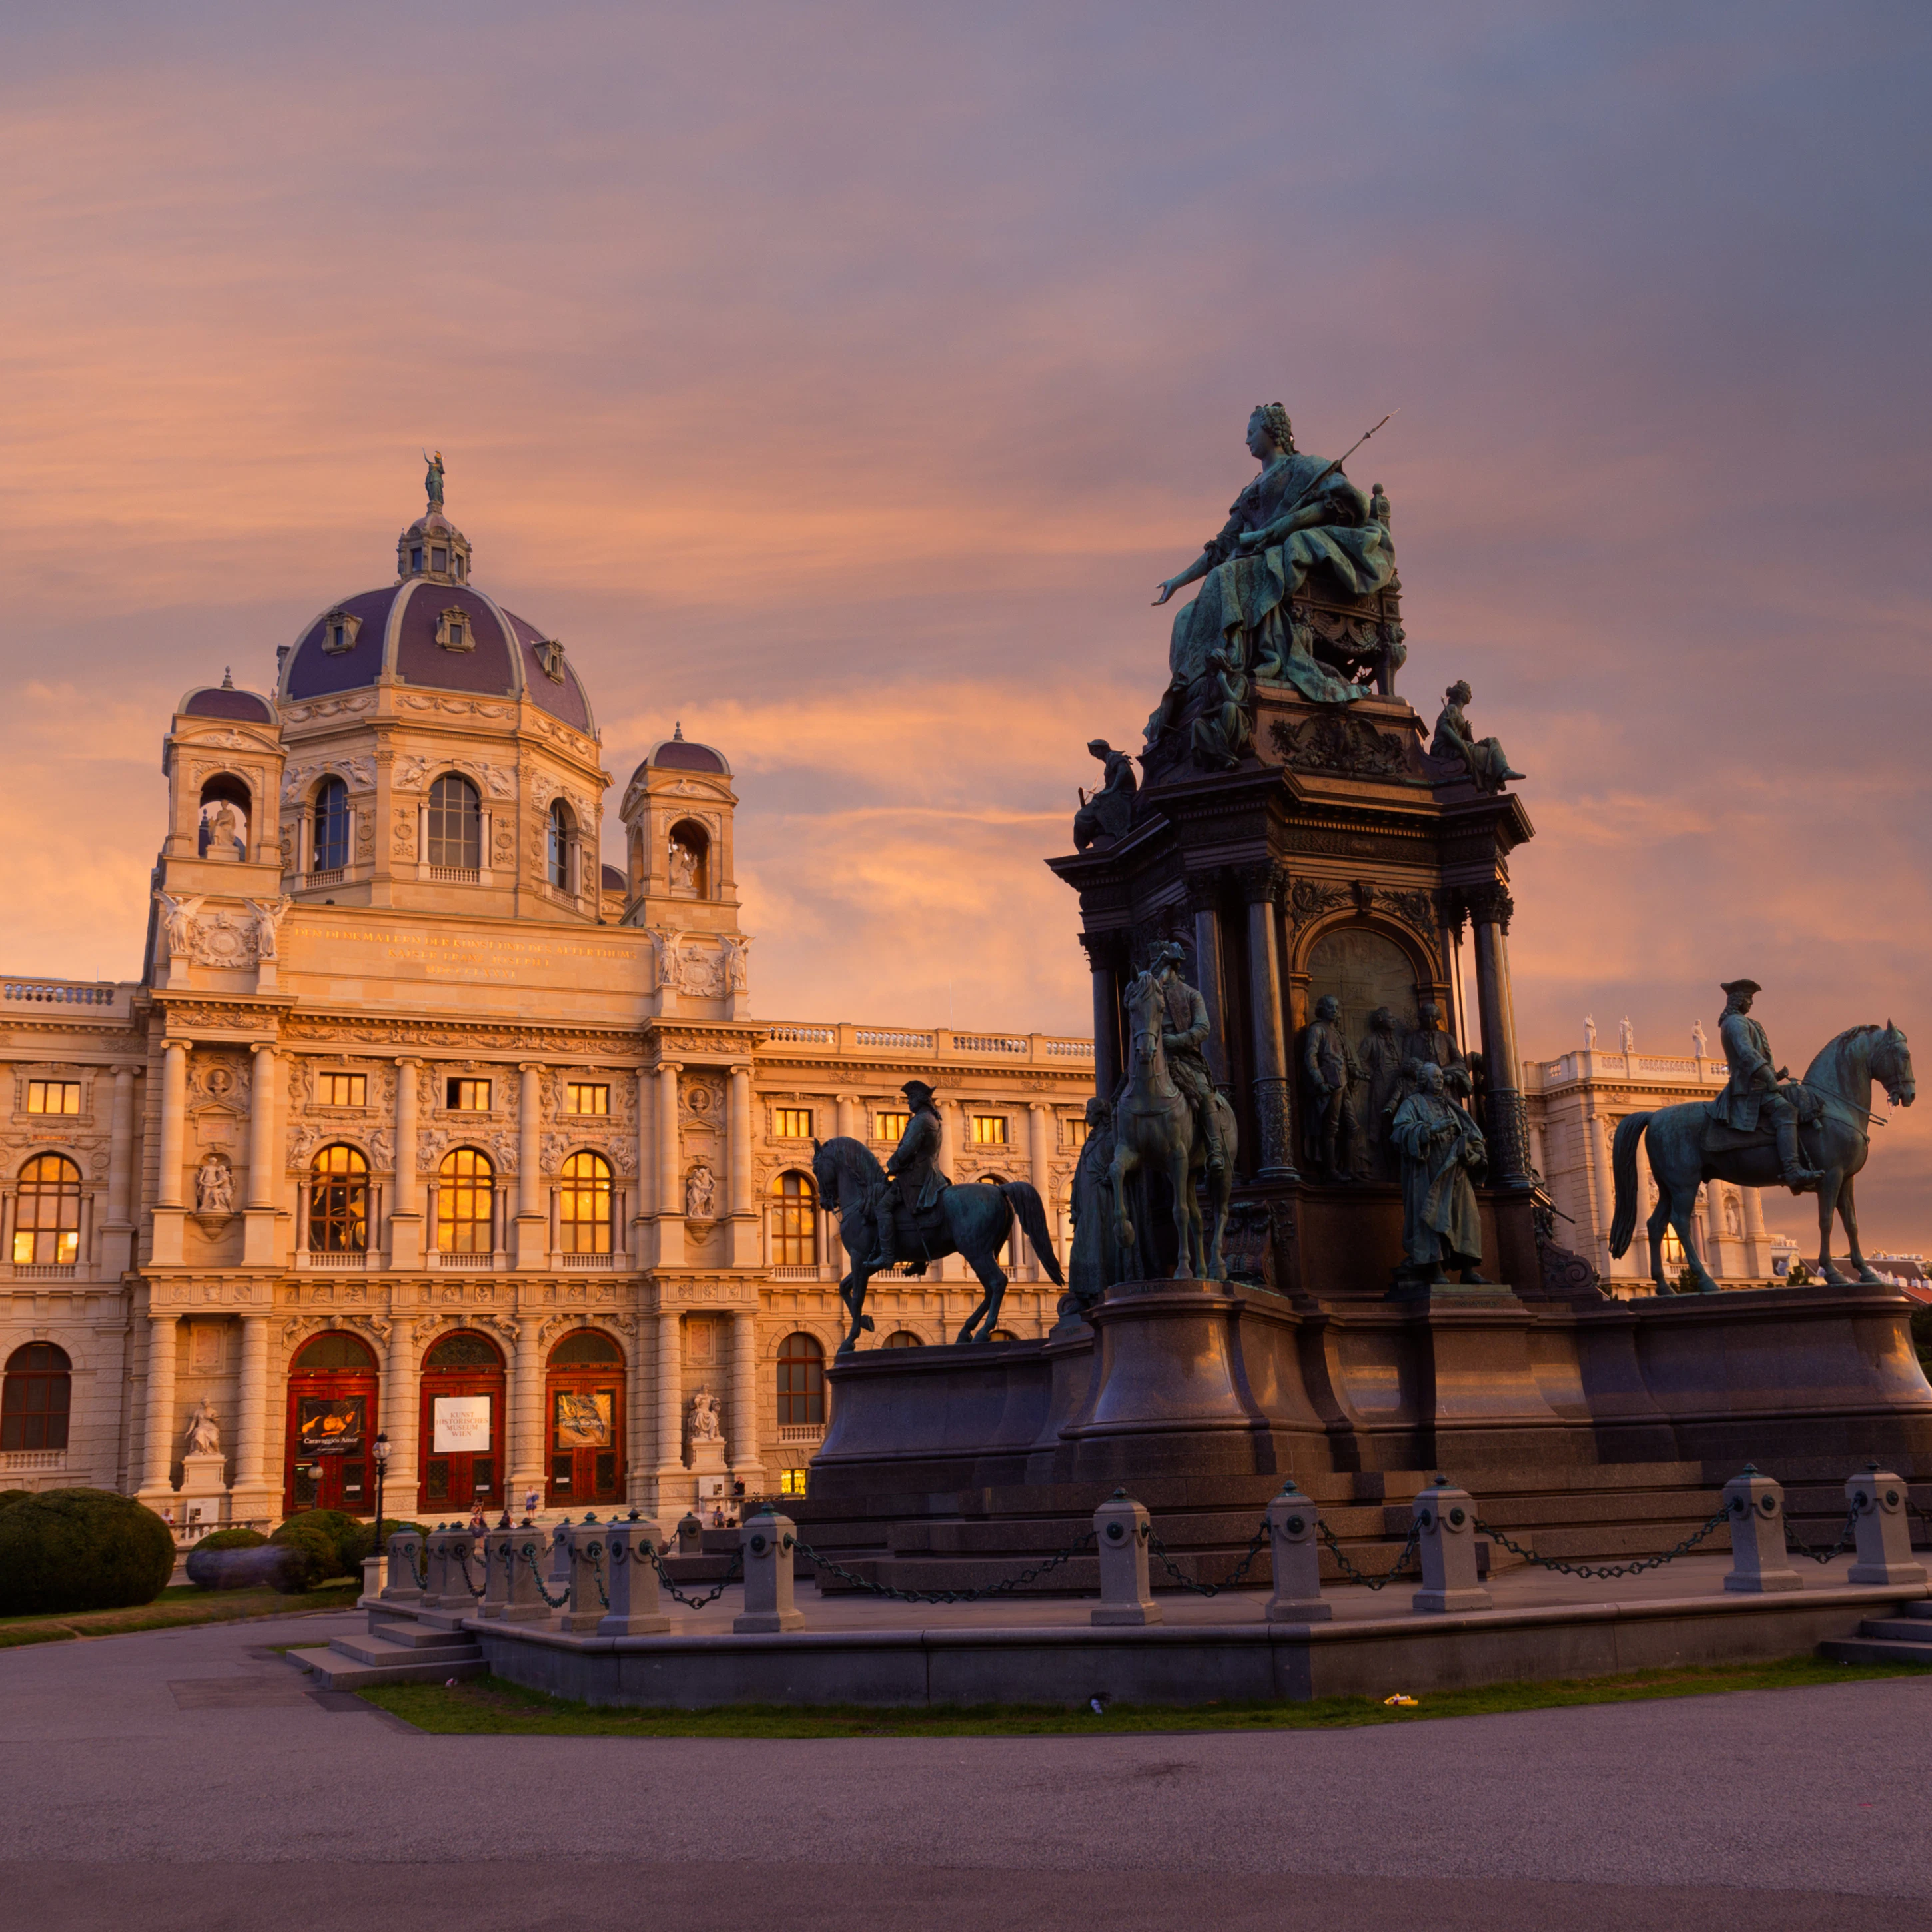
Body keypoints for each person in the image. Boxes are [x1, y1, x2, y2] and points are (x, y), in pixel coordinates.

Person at [1150, 403, 1392, 718]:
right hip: (1250, 558)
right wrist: (1178, 581)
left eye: (1252, 432)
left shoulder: (1307, 468)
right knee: (1184, 617)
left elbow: (1340, 503)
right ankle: (1196, 689)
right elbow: (1222, 547)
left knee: (1226, 577)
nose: (1247, 440)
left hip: (1283, 557)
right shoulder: (1250, 489)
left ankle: (1231, 665)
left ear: (1273, 432)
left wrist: (1286, 525)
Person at [1714, 979, 1823, 1190]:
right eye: (1748, 998)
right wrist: (1769, 1077)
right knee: (1787, 1110)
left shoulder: (1743, 1022)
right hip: (1749, 1090)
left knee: (1798, 1098)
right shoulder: (1735, 1023)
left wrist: (1775, 1074)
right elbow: (1747, 1055)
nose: (1751, 1003)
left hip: (1758, 1085)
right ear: (1738, 1000)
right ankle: (1792, 1170)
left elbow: (1754, 1058)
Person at [1390, 1061, 1489, 1285]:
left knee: (1466, 1218)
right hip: (1428, 1171)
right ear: (1423, 1081)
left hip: (1457, 1171)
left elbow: (1473, 1134)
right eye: (1435, 1077)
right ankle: (1434, 1269)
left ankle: (1468, 1269)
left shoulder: (1451, 1106)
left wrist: (1470, 1152)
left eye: (1441, 1077)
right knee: (1431, 1217)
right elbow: (1399, 1133)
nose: (1440, 1080)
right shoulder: (1412, 1104)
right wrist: (1429, 1131)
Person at [1147, 943, 1226, 1176]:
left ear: (1171, 967)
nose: (1155, 972)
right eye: (1153, 967)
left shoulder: (1191, 994)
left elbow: (1203, 1028)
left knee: (1203, 1093)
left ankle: (1215, 1149)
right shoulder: (1148, 995)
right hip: (1151, 1058)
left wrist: (1177, 1040)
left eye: (1160, 966)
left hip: (1184, 1058)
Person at [867, 1079, 948, 1273]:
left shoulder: (921, 1120)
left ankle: (887, 1257)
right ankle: (919, 1260)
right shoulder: (933, 1118)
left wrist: (892, 1165)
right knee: (911, 1212)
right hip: (930, 1173)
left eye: (911, 1098)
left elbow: (907, 1150)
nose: (908, 1102)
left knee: (882, 1208)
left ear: (920, 1099)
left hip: (916, 1176)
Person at [1300, 995, 1361, 1180]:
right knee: (1331, 1127)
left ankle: (1349, 1169)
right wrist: (1320, 1081)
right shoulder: (1317, 1030)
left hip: (1344, 1084)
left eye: (1337, 1008)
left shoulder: (1338, 1034)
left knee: (1353, 1126)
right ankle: (1331, 1170)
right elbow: (1310, 1057)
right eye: (1331, 1007)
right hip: (1330, 1084)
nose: (1335, 1011)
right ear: (1322, 1009)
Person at [1430, 680, 1523, 793]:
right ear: (1462, 694)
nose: (1471, 696)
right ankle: (1495, 777)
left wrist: (1467, 734)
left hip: (1455, 746)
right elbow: (1444, 728)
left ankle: (1504, 771)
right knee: (1483, 753)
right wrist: (1462, 746)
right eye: (1469, 693)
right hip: (1444, 749)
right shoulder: (1452, 709)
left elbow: (1466, 741)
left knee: (1493, 741)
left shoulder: (1460, 715)